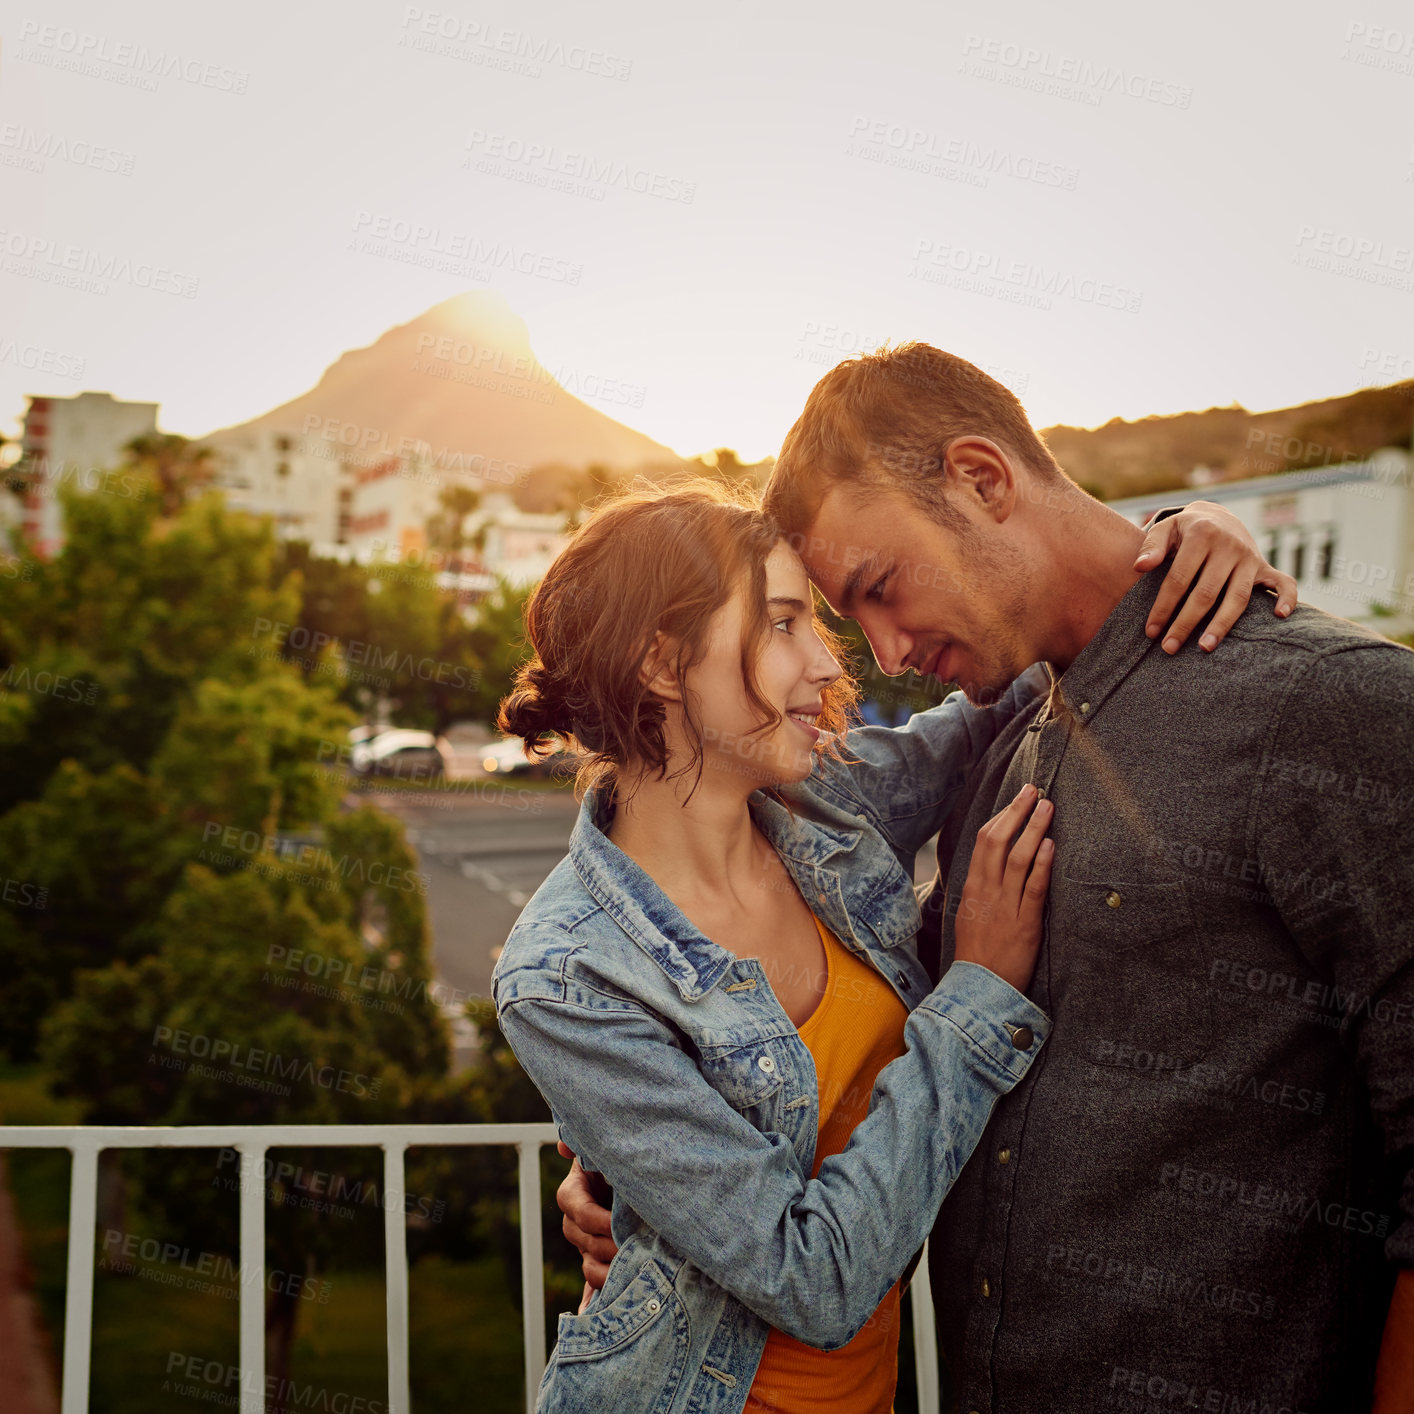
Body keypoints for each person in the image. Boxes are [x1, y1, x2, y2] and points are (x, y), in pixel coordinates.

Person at [493, 475, 1291, 1414]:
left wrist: (1176, 541)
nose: (831, 671)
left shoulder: (829, 803)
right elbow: (815, 1282)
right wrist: (979, 993)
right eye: (782, 624)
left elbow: (1017, 675)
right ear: (663, 662)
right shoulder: (565, 977)